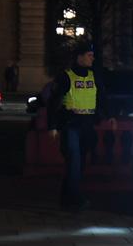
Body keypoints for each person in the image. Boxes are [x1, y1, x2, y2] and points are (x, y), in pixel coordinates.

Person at [48, 42, 99, 210]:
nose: (92, 58)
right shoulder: (66, 77)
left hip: (87, 126)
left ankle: (67, 199)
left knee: (78, 164)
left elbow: (102, 97)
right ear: (79, 57)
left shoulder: (94, 76)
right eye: (89, 55)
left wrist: (110, 116)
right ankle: (76, 199)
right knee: (75, 162)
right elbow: (54, 101)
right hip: (71, 125)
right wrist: (52, 126)